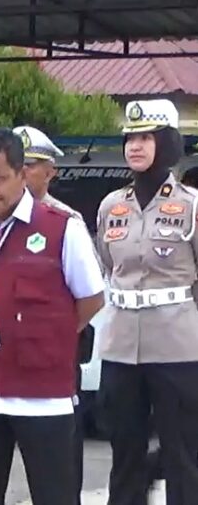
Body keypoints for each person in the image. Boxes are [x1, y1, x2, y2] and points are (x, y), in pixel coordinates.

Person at [0, 128, 105, 505]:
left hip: (43, 398)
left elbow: (92, 298)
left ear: (21, 174)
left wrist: (52, 335)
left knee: (56, 496)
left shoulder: (61, 228)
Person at [95, 99, 198, 505]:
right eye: (130, 138)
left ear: (168, 143)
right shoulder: (110, 206)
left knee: (183, 455)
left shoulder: (192, 207)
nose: (135, 146)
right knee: (124, 454)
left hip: (177, 346)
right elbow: (108, 265)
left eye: (146, 137)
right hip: (121, 347)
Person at [13, 125, 87, 505]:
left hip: (53, 353)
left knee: (59, 452)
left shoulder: (67, 220)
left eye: (30, 164)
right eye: (18, 164)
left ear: (50, 171)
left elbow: (88, 294)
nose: (22, 172)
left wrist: (58, 334)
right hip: (6, 357)